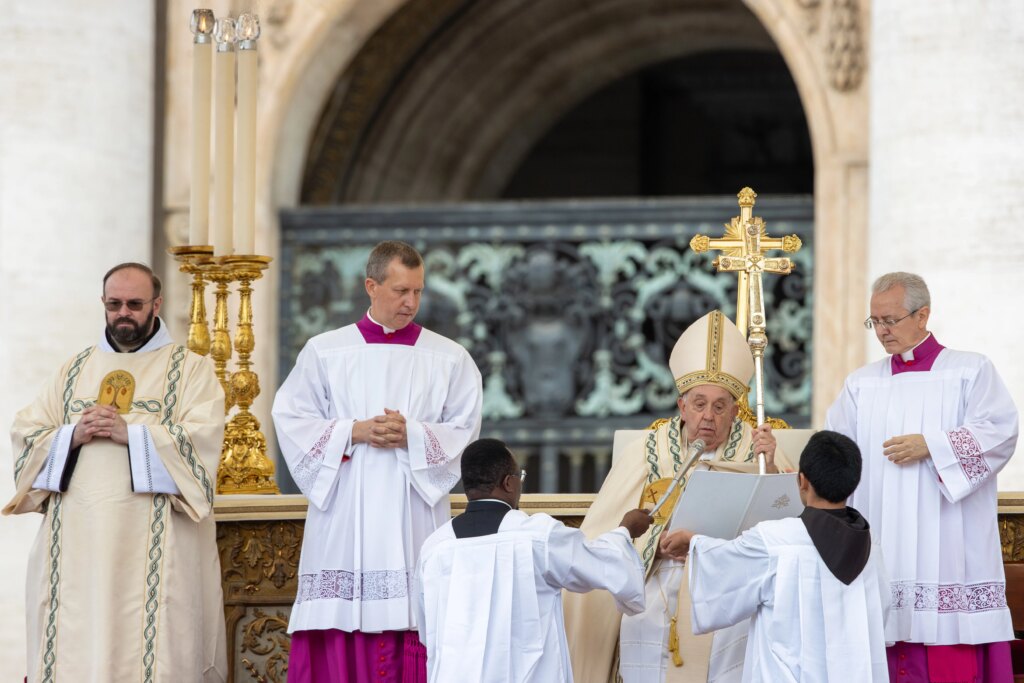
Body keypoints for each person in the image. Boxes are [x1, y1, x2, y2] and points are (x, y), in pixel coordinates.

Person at [4, 262, 227, 682]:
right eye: (114, 304)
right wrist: (73, 433)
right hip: (77, 547)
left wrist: (134, 434)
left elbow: (203, 439)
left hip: (155, 547)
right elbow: (26, 431)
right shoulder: (73, 370)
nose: (123, 312)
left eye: (134, 304)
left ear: (156, 304)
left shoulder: (191, 369)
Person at [272, 240, 483, 682]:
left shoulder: (449, 358)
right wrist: (354, 431)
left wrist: (414, 434)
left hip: (414, 513)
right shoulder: (325, 351)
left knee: (413, 614)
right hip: (346, 514)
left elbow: (465, 430)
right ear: (371, 286)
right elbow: (290, 416)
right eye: (400, 291)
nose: (411, 302)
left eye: (418, 292)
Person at [564, 310, 794, 683]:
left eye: (720, 406)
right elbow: (606, 530)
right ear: (681, 406)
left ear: (735, 411)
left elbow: (788, 519)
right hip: (658, 580)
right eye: (699, 403)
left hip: (728, 584)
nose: (709, 416)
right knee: (644, 617)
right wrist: (655, 545)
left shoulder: (757, 448)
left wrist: (769, 461)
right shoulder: (648, 449)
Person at [826, 271, 1018, 682]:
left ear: (923, 315)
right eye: (874, 321)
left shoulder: (969, 371)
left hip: (947, 545)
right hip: (880, 540)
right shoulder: (861, 384)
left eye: (890, 320)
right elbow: (835, 455)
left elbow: (1000, 431)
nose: (881, 331)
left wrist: (934, 445)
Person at [659, 430, 890, 682]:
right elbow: (881, 609)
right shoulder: (870, 542)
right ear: (853, 482)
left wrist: (691, 541)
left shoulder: (776, 540)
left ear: (801, 481)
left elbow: (727, 563)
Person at [415, 438, 652, 682]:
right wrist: (625, 530)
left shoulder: (434, 547)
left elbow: (428, 628)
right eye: (520, 476)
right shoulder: (537, 535)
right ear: (509, 483)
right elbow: (602, 565)